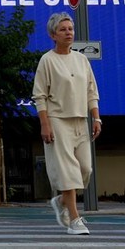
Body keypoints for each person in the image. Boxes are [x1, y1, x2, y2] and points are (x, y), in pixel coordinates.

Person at [32, 12, 101, 236]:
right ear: (53, 34)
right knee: (68, 172)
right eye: (63, 29)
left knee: (85, 169)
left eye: (70, 28)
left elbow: (92, 90)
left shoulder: (81, 59)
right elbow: (39, 96)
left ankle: (61, 200)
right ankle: (74, 219)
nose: (68, 32)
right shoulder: (47, 60)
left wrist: (96, 116)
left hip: (81, 119)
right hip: (57, 119)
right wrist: (45, 124)